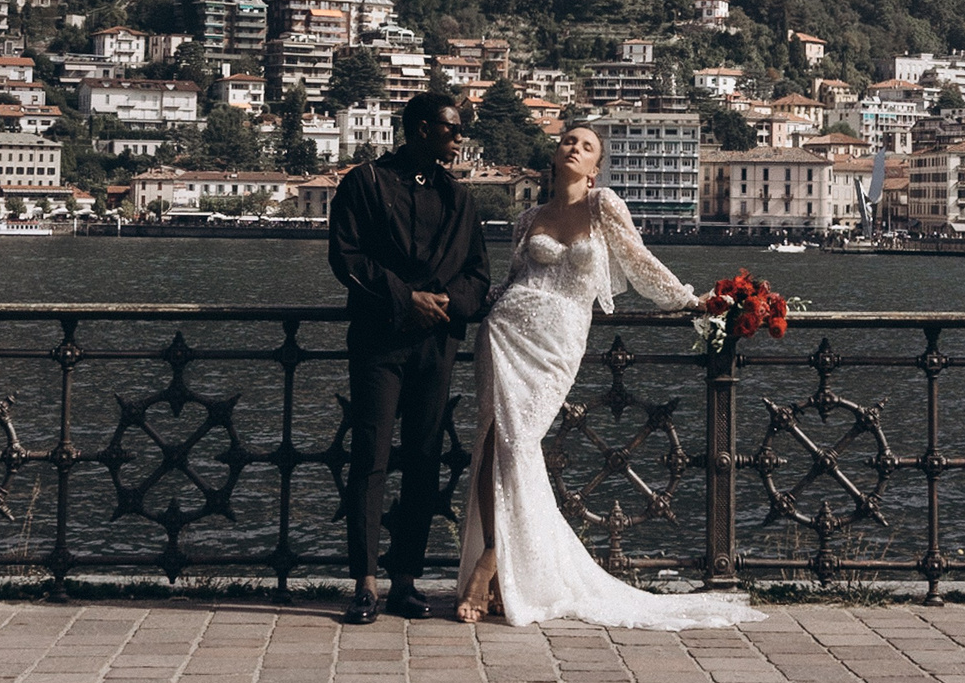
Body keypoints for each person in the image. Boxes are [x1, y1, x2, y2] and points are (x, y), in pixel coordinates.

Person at [453, 124, 763, 630]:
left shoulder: (604, 205)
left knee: (521, 440)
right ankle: (492, 558)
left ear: (596, 166)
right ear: (555, 155)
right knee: (490, 443)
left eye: (587, 146)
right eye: (568, 141)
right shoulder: (529, 216)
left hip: (556, 341)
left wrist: (691, 302)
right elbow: (511, 279)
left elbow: (639, 262)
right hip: (505, 332)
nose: (574, 148)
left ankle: (494, 561)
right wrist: (469, 311)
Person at [327, 91, 490, 625]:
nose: (459, 138)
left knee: (424, 459)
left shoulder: (460, 200)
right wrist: (406, 299)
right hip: (380, 338)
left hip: (437, 342)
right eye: (452, 129)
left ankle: (405, 580)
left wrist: (446, 305)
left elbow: (479, 274)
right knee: (369, 457)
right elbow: (346, 258)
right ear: (422, 128)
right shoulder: (364, 184)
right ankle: (365, 583)